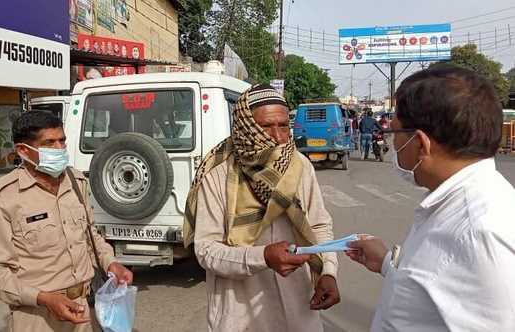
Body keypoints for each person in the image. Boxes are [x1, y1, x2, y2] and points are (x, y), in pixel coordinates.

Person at [347, 64, 515, 331]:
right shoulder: (451, 204)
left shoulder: (480, 234)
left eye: (395, 133)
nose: (393, 146)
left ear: (420, 143)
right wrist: (387, 265)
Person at [184, 85, 340, 332]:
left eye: (283, 125)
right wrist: (263, 257)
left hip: (299, 309)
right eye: (266, 127)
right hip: (241, 314)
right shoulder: (218, 174)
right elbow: (206, 249)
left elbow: (319, 224)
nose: (278, 137)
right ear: (246, 127)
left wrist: (327, 272)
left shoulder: (300, 166)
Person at [0, 111, 133, 332]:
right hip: (37, 316)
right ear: (24, 150)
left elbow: (91, 236)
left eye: (62, 140)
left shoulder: (76, 181)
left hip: (83, 308)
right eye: (49, 143)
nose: (59, 149)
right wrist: (43, 298)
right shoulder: (2, 197)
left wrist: (110, 262)